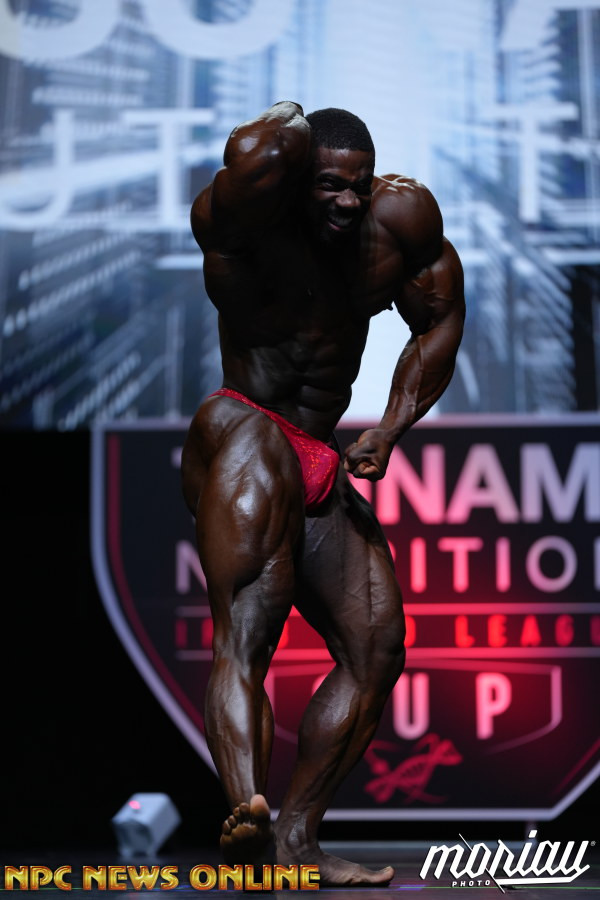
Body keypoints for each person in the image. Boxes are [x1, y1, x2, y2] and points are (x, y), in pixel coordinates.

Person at [181, 102, 465, 886]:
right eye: (329, 185)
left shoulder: (397, 224)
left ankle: (296, 841)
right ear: (297, 175)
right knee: (248, 633)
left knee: (377, 650)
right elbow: (242, 171)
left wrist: (393, 427)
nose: (347, 201)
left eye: (358, 187)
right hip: (244, 429)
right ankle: (248, 811)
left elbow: (440, 320)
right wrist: (284, 126)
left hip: (319, 453)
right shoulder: (248, 230)